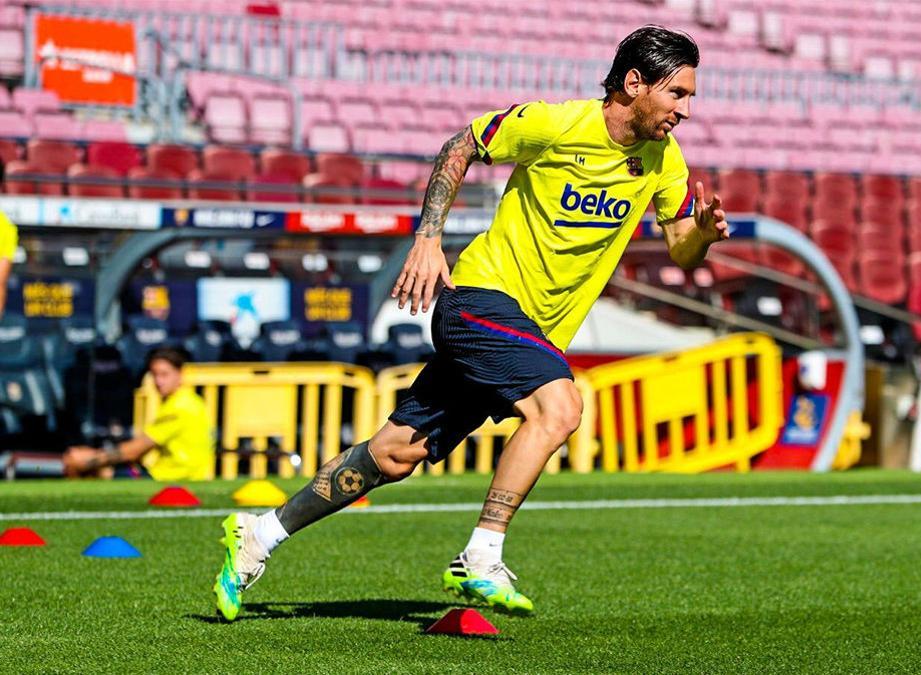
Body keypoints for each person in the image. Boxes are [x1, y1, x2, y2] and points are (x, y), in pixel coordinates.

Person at [212, 25, 729, 622]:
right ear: (634, 83)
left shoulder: (664, 162)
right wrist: (428, 239)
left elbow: (680, 248)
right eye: (677, 94)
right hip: (479, 300)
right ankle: (481, 554)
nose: (686, 110)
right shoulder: (556, 124)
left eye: (690, 96)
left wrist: (704, 239)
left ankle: (260, 533)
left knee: (394, 454)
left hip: (525, 334)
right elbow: (460, 144)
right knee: (560, 407)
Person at [63, 346, 215, 480]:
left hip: (174, 479)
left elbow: (136, 450)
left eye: (164, 374)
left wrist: (90, 459)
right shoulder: (188, 400)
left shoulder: (180, 406)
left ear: (180, 374)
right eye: (154, 374)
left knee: (96, 470)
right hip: (168, 474)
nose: (158, 381)